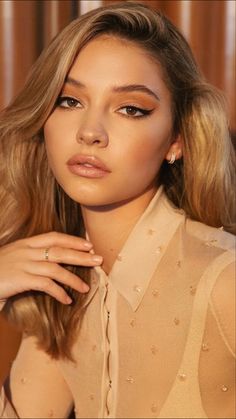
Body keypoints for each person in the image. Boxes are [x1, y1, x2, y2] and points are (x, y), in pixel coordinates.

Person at [0, 1, 235, 418]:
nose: (90, 132)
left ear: (176, 140)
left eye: (131, 109)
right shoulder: (63, 290)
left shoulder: (225, 281)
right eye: (69, 101)